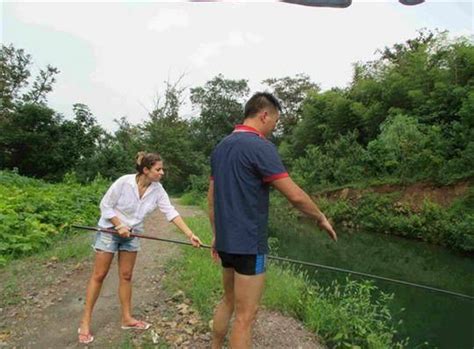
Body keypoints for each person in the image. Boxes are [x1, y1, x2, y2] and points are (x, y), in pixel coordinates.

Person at [208, 92, 337, 349]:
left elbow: (211, 198)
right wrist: (320, 217)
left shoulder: (220, 147)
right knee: (246, 317)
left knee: (228, 301)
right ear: (264, 115)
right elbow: (295, 196)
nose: (273, 129)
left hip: (225, 243)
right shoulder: (260, 146)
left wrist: (216, 235)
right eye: (274, 123)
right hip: (249, 245)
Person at [78, 151, 202, 344]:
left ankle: (127, 319)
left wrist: (190, 234)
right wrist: (119, 224)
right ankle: (85, 322)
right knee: (99, 275)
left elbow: (170, 211)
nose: (162, 173)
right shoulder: (124, 182)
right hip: (110, 230)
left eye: (162, 169)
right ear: (146, 170)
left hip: (132, 233)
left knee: (126, 275)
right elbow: (106, 205)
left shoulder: (158, 190)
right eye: (158, 169)